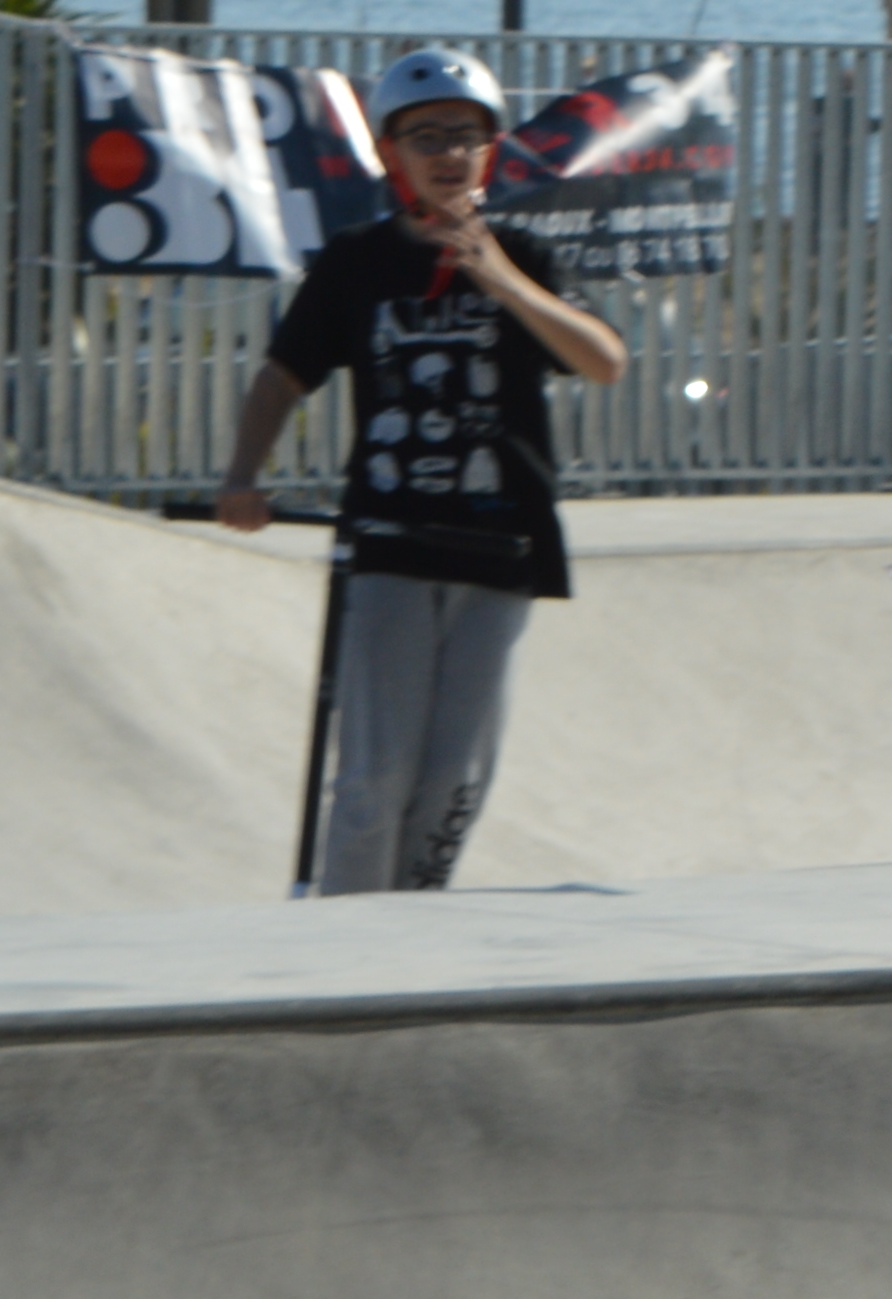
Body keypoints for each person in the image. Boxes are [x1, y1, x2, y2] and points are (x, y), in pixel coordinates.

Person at [211, 47, 629, 898]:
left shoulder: (524, 259)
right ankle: (351, 938)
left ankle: (415, 927)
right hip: (393, 546)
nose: (447, 153)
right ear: (391, 152)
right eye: (426, 136)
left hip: (502, 550)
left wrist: (502, 281)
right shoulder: (357, 263)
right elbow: (283, 374)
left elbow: (604, 361)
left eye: (466, 137)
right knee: (374, 777)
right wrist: (242, 476)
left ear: (491, 150)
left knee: (453, 781)